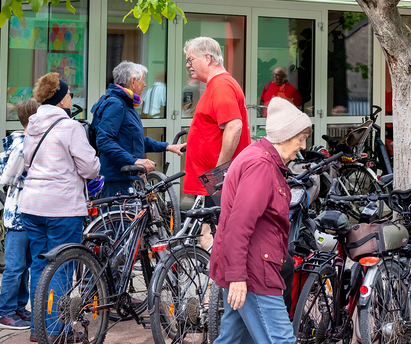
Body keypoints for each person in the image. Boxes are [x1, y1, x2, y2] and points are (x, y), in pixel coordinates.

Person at [209, 97, 311, 344]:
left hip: (248, 267)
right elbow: (239, 224)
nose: (303, 146)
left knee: (233, 339)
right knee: (281, 340)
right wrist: (237, 276)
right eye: (301, 138)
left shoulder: (258, 157)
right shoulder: (261, 165)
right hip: (254, 271)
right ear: (285, 136)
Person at [19, 73, 100, 340]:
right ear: (61, 98)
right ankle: (56, 331)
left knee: (39, 267)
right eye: (69, 94)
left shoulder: (32, 124)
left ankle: (38, 329)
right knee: (62, 267)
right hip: (62, 207)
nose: (71, 98)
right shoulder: (71, 127)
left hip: (32, 205)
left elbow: (28, 161)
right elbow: (89, 168)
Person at [92, 61, 184, 197]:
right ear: (133, 81)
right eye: (143, 80)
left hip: (125, 176)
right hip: (116, 179)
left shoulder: (125, 103)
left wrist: (168, 147)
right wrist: (135, 160)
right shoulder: (116, 104)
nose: (145, 85)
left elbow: (134, 140)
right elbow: (104, 141)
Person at [183, 37, 250, 205]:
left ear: (207, 58)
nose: (188, 65)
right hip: (214, 182)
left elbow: (234, 126)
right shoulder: (219, 84)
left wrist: (218, 174)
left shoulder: (221, 86)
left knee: (215, 222)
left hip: (218, 183)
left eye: (190, 59)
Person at [0, 98, 38, 330]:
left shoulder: (26, 142)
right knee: (15, 266)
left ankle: (19, 307)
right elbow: (6, 178)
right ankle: (4, 313)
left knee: (24, 265)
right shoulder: (22, 147)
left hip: (27, 212)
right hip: (18, 213)